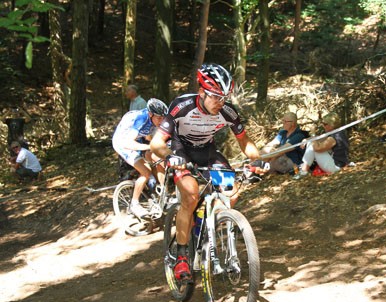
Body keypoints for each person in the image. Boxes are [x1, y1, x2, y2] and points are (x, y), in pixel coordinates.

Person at [150, 63, 265, 284]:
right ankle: (182, 257)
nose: (220, 103)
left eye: (224, 97)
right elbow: (156, 144)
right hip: (180, 152)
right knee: (191, 196)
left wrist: (256, 160)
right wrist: (170, 156)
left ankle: (206, 222)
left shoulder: (227, 111)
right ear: (202, 92)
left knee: (231, 193)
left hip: (208, 153)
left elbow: (244, 141)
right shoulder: (181, 106)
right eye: (215, 97)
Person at [112, 98, 169, 217]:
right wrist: (148, 146)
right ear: (150, 114)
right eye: (159, 118)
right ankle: (134, 203)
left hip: (137, 138)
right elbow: (128, 143)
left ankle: (161, 193)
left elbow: (150, 138)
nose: (161, 121)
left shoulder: (154, 119)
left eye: (163, 118)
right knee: (146, 172)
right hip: (123, 142)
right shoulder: (141, 119)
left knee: (157, 158)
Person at [293, 112, 349, 179]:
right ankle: (304, 168)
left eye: (325, 124)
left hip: (335, 167)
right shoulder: (338, 132)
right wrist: (306, 140)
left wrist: (312, 134)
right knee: (311, 143)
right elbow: (320, 138)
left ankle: (304, 170)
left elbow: (317, 148)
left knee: (312, 145)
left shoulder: (333, 138)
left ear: (331, 125)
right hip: (338, 163)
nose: (323, 126)